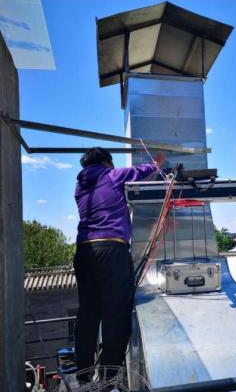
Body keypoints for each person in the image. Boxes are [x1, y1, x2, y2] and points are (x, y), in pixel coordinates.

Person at [73, 147, 164, 378]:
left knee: (89, 313)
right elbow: (140, 172)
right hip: (111, 249)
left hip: (84, 251)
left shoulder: (80, 187)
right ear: (106, 162)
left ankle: (83, 374)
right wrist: (157, 163)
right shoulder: (111, 175)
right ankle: (108, 377)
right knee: (116, 313)